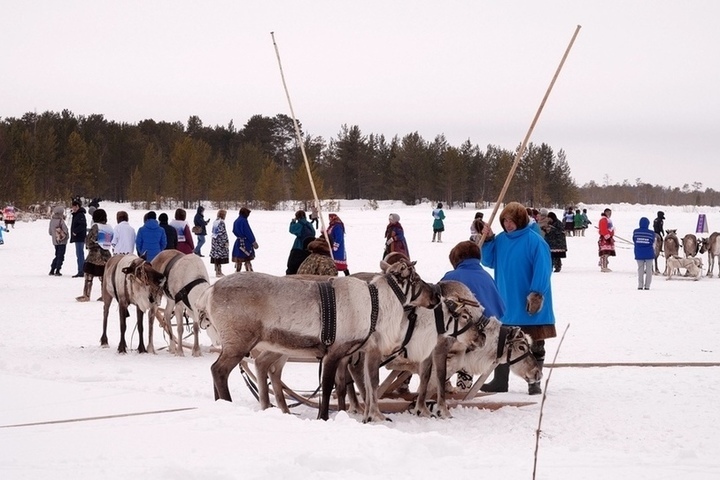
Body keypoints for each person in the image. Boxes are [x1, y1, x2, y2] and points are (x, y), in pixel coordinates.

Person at [480, 201, 555, 395]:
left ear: (520, 221)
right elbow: (488, 260)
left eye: (511, 221)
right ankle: (499, 381)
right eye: (504, 221)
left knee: (535, 342)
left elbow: (543, 270)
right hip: (506, 300)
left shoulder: (535, 241)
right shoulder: (502, 240)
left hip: (528, 302)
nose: (507, 225)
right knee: (503, 341)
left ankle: (534, 381)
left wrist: (536, 294)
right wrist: (487, 240)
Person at [441, 241, 506, 391]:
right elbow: (501, 308)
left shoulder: (452, 276)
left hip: (462, 337)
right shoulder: (487, 277)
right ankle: (464, 386)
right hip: (488, 338)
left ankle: (440, 381)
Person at [77, 208, 113, 302]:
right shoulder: (109, 227)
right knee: (103, 276)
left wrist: (89, 245)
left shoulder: (96, 226)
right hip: (106, 255)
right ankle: (104, 295)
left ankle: (86, 295)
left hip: (94, 254)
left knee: (89, 274)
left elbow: (89, 240)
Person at [287, 210, 316, 274]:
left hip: (299, 247)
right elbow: (314, 233)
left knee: (293, 266)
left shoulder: (300, 224)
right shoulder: (309, 224)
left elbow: (291, 229)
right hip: (309, 248)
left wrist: (293, 222)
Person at [232, 207, 258, 272]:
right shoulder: (244, 221)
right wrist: (253, 241)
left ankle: (237, 271)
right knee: (247, 259)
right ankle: (249, 272)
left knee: (239, 259)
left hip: (238, 243)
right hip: (246, 243)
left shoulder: (236, 221)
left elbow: (234, 231)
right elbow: (248, 232)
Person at [633, 217, 655, 290]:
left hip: (639, 253)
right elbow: (653, 242)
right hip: (649, 254)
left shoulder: (636, 232)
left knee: (640, 270)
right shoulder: (651, 233)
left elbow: (634, 240)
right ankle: (647, 286)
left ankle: (640, 285)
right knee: (649, 270)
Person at [48, 205, 69, 276]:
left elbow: (50, 232)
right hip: (62, 241)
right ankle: (57, 270)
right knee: (61, 256)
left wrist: (55, 236)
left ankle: (52, 269)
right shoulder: (61, 221)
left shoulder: (52, 221)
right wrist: (65, 236)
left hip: (55, 241)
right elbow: (65, 230)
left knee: (57, 255)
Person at [70, 200, 88, 277]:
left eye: (73, 206)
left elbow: (83, 225)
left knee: (80, 254)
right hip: (77, 237)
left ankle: (81, 270)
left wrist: (75, 231)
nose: (72, 208)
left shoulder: (80, 215)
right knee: (79, 253)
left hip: (79, 237)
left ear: (77, 206)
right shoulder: (77, 214)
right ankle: (81, 270)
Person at [210, 209, 230, 277]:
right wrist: (226, 241)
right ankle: (219, 271)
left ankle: (217, 270)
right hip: (220, 242)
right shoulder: (221, 222)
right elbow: (222, 233)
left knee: (216, 256)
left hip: (215, 241)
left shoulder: (215, 221)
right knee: (219, 256)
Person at [598, 208, 616, 272]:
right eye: (608, 213)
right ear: (605, 212)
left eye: (610, 213)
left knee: (607, 253)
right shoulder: (603, 219)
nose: (610, 214)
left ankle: (604, 265)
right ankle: (604, 267)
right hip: (605, 238)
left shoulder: (608, 220)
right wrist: (608, 237)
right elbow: (603, 229)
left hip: (608, 238)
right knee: (605, 253)